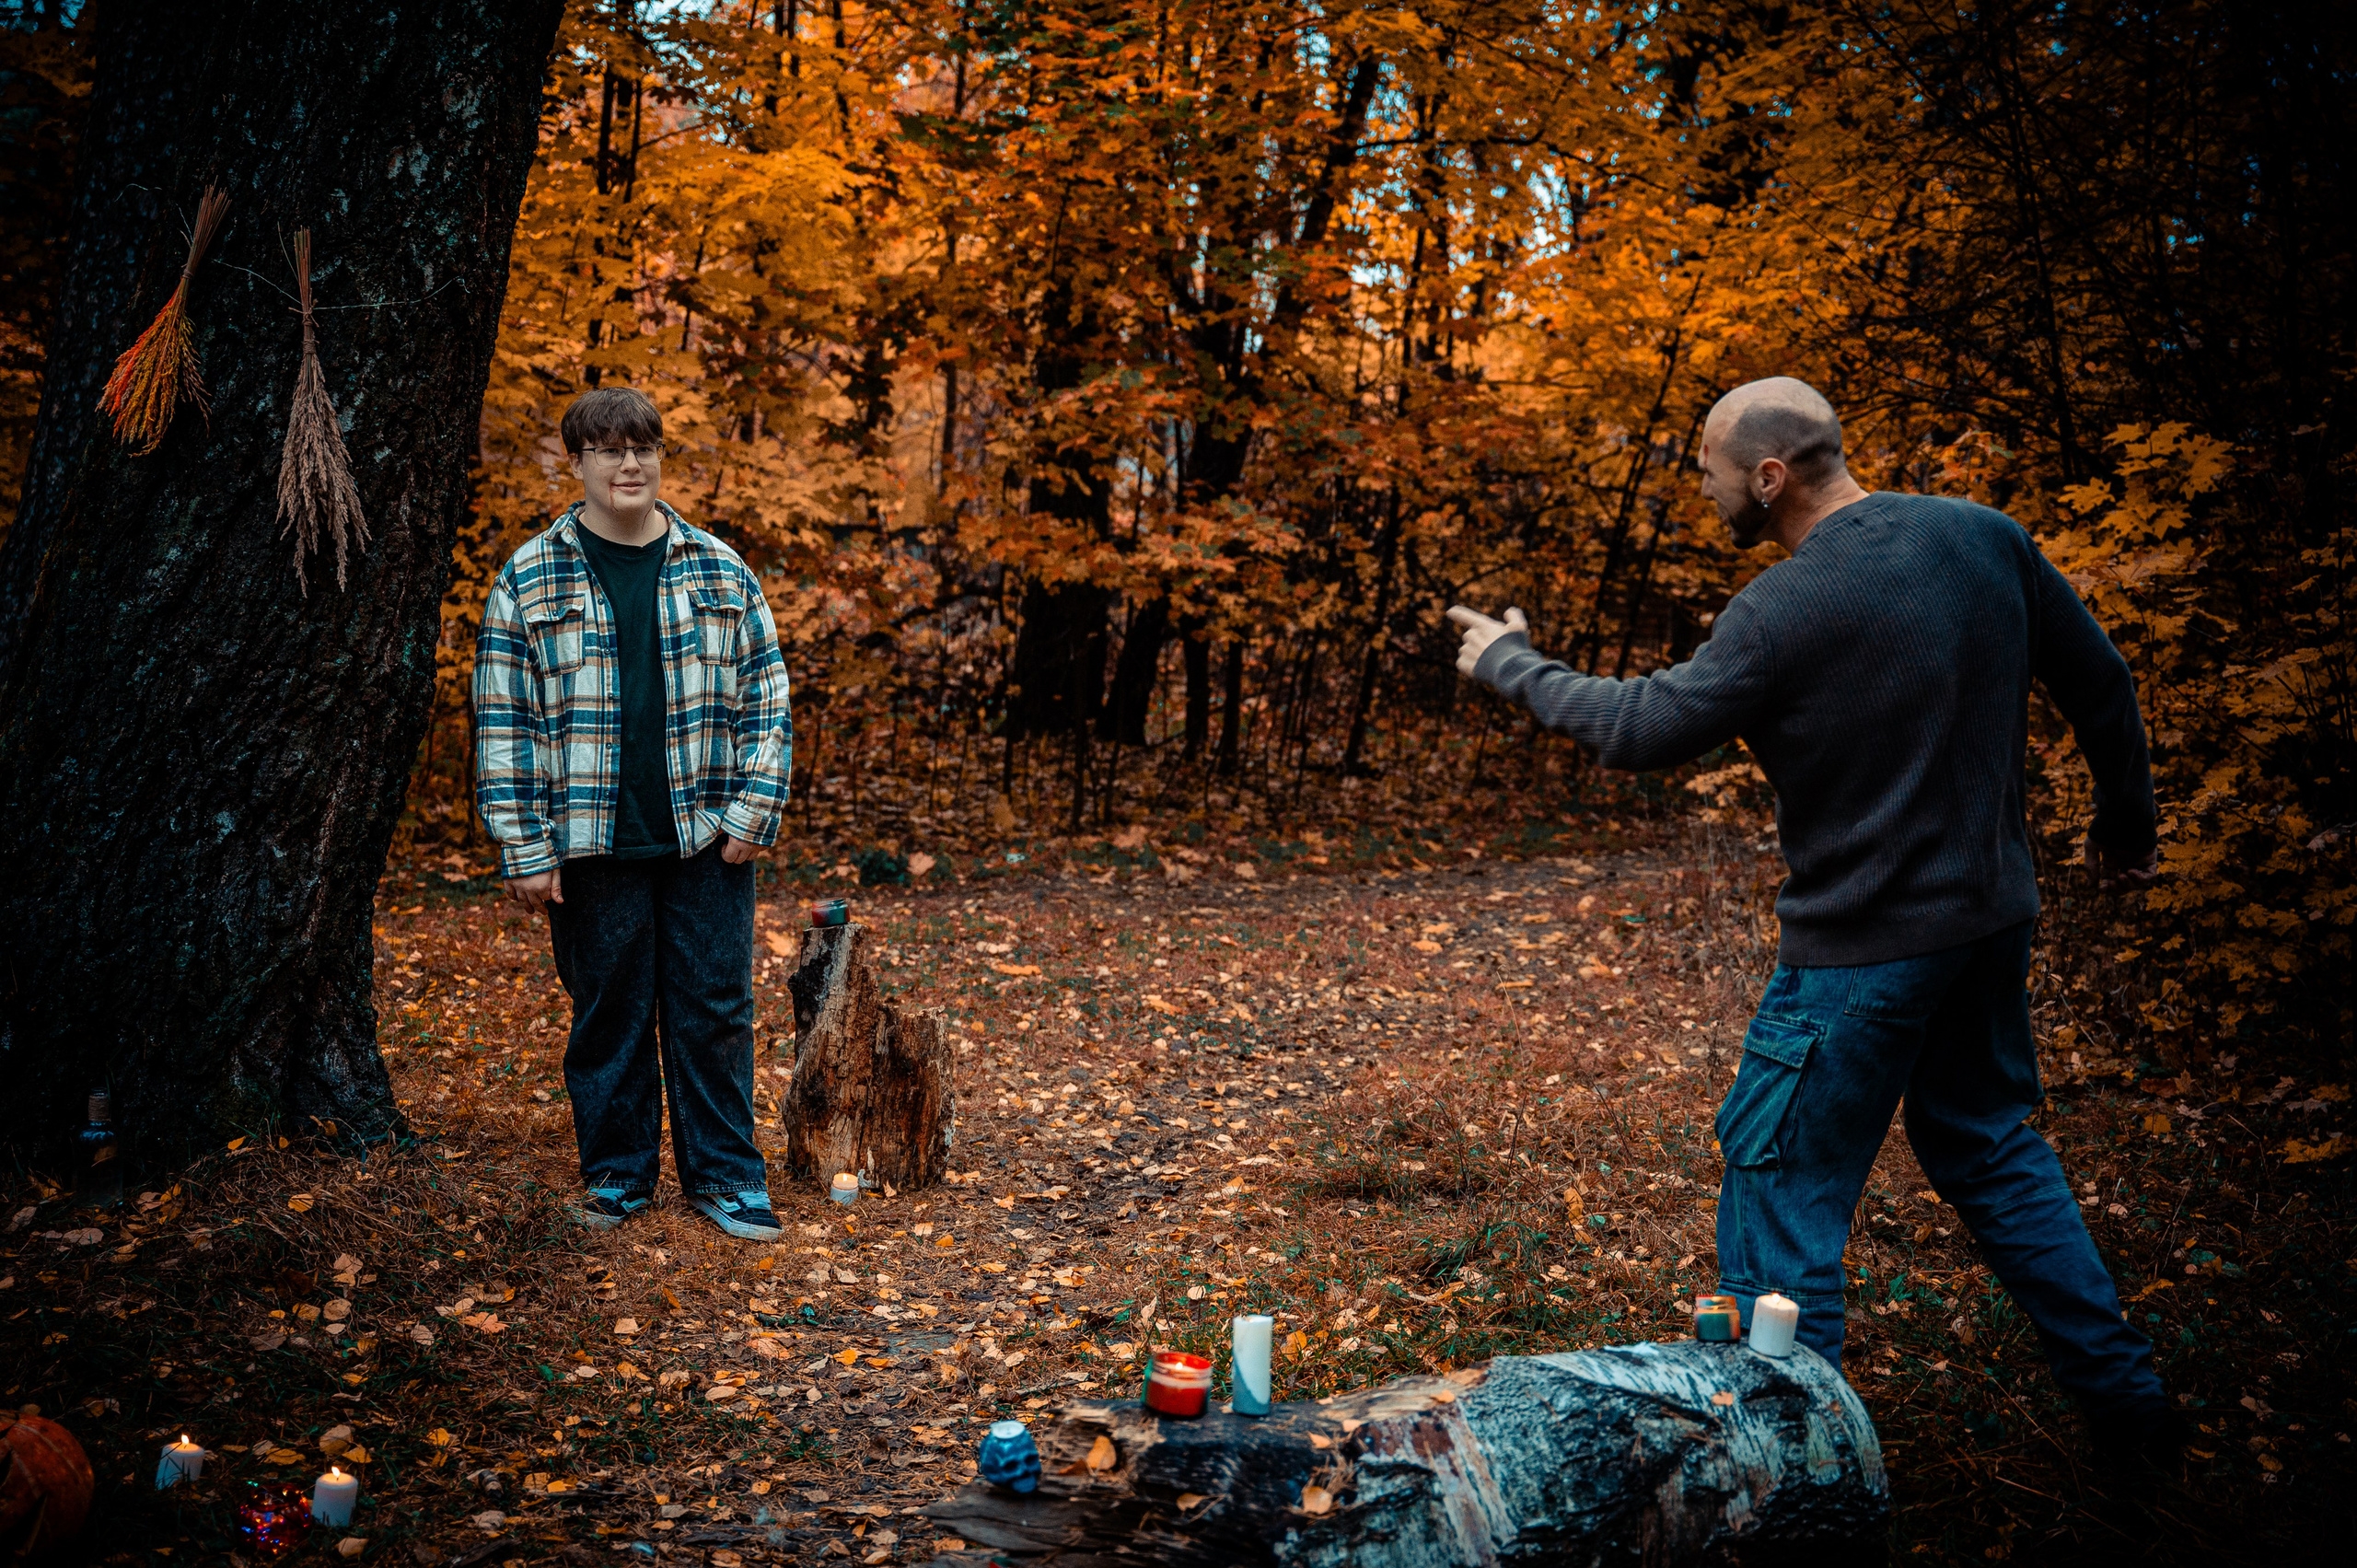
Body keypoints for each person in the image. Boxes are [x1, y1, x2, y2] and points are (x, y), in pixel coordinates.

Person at [1448, 377, 2172, 1455]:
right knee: (1988, 1145)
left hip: (1860, 959)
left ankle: (1799, 1471)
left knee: (1779, 1187)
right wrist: (2127, 821)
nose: (1702, 490)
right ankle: (2133, 1416)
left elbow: (1642, 724)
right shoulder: (1983, 537)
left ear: (1770, 475)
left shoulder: (1787, 605)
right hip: (1986, 925)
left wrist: (1510, 663)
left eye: (1709, 470)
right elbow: (2101, 680)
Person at [472, 387, 793, 1242]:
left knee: (715, 1007)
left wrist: (753, 811)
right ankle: (617, 1177)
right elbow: (504, 720)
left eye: (644, 447)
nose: (630, 464)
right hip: (589, 840)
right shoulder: (529, 578)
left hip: (704, 835)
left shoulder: (720, 569)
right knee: (608, 1011)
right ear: (576, 463)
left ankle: (726, 1179)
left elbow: (769, 697)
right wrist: (524, 843)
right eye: (610, 450)